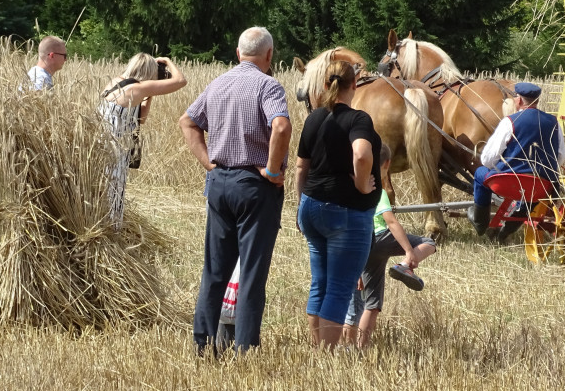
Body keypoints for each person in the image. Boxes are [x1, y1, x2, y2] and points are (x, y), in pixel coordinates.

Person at [180, 27, 291, 353]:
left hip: (219, 183)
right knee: (252, 272)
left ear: (238, 52)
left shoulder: (217, 83)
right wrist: (272, 170)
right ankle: (244, 347)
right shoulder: (268, 85)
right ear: (269, 55)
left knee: (214, 270)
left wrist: (209, 163)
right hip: (254, 187)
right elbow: (281, 126)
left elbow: (187, 121)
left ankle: (203, 343)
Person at [296, 59, 381, 350]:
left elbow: (299, 167)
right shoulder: (359, 120)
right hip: (346, 213)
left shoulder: (313, 118)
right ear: (354, 84)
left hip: (311, 207)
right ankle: (327, 356)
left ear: (323, 85)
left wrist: (300, 206)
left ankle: (317, 345)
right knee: (339, 287)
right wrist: (360, 184)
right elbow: (361, 155)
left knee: (319, 282)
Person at [343, 143, 437, 348]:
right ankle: (405, 265)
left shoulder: (354, 188)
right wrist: (409, 251)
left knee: (366, 302)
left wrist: (356, 265)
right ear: (387, 164)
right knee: (429, 242)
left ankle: (353, 348)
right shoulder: (379, 191)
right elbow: (391, 222)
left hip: (361, 246)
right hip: (380, 238)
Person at [467, 81, 565, 236]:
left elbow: (487, 159)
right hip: (540, 186)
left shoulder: (510, 121)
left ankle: (480, 222)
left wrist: (498, 167)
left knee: (480, 173)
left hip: (505, 183)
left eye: (515, 97)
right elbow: (560, 156)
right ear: (537, 100)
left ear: (519, 100)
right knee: (531, 194)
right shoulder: (554, 122)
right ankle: (509, 228)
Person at [99, 53, 186, 222]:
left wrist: (151, 93)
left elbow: (141, 117)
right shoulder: (136, 89)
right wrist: (167, 61)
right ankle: (112, 231)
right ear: (148, 72)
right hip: (114, 150)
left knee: (105, 192)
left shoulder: (117, 82)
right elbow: (181, 81)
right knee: (114, 194)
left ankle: (107, 227)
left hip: (104, 145)